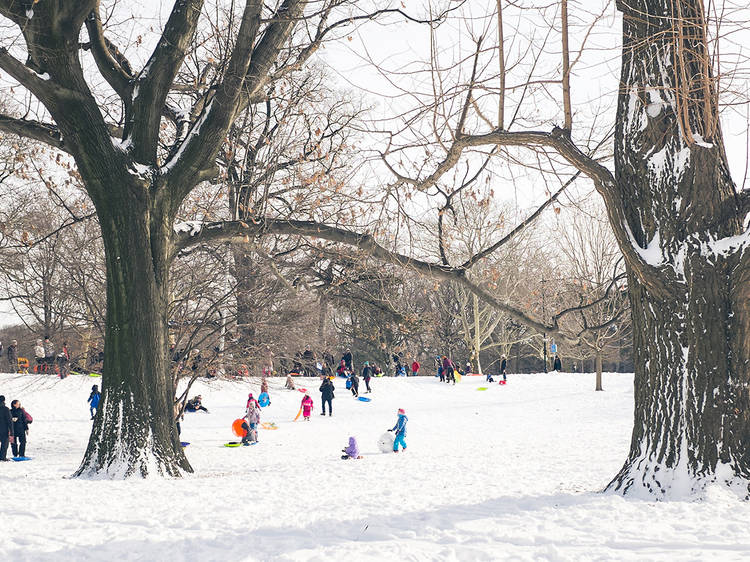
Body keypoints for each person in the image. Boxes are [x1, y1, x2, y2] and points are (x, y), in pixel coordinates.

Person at [0, 395, 13, 461]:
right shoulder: (5, 409)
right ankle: (2, 457)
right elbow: (9, 421)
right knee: (4, 444)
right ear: (4, 401)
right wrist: (12, 432)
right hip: (3, 430)